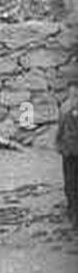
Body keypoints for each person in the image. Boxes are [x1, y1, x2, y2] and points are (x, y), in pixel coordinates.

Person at [57, 83, 78, 228]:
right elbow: (60, 129)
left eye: (75, 95)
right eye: (71, 94)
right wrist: (58, 144)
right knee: (70, 182)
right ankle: (72, 212)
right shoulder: (64, 108)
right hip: (68, 151)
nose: (73, 98)